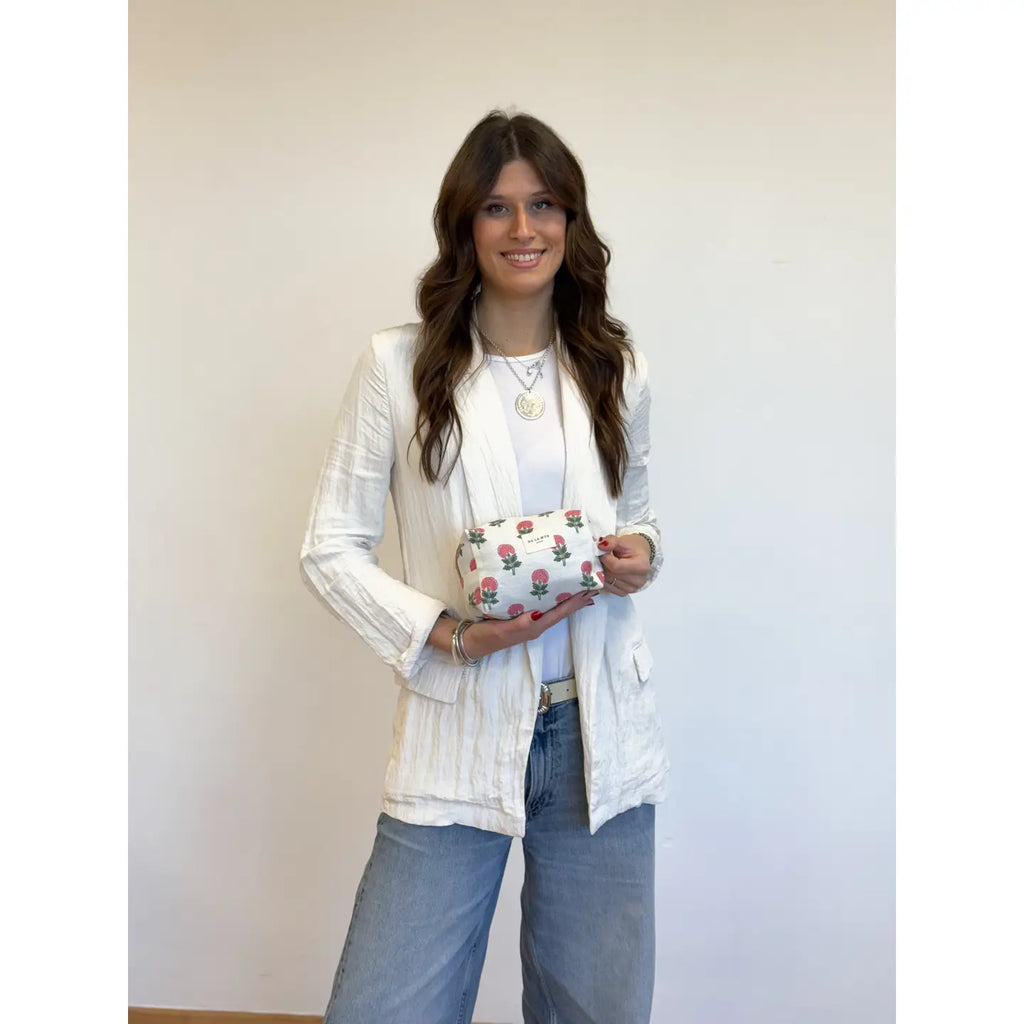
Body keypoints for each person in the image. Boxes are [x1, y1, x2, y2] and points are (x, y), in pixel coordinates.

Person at [300, 110, 670, 1024]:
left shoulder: (615, 366)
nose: (523, 228)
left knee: (598, 1009)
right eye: (497, 208)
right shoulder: (399, 365)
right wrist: (450, 634)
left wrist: (641, 554)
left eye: (544, 205)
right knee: (384, 1008)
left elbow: (639, 513)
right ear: (465, 225)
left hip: (597, 727)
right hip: (458, 719)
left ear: (571, 220)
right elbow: (328, 546)